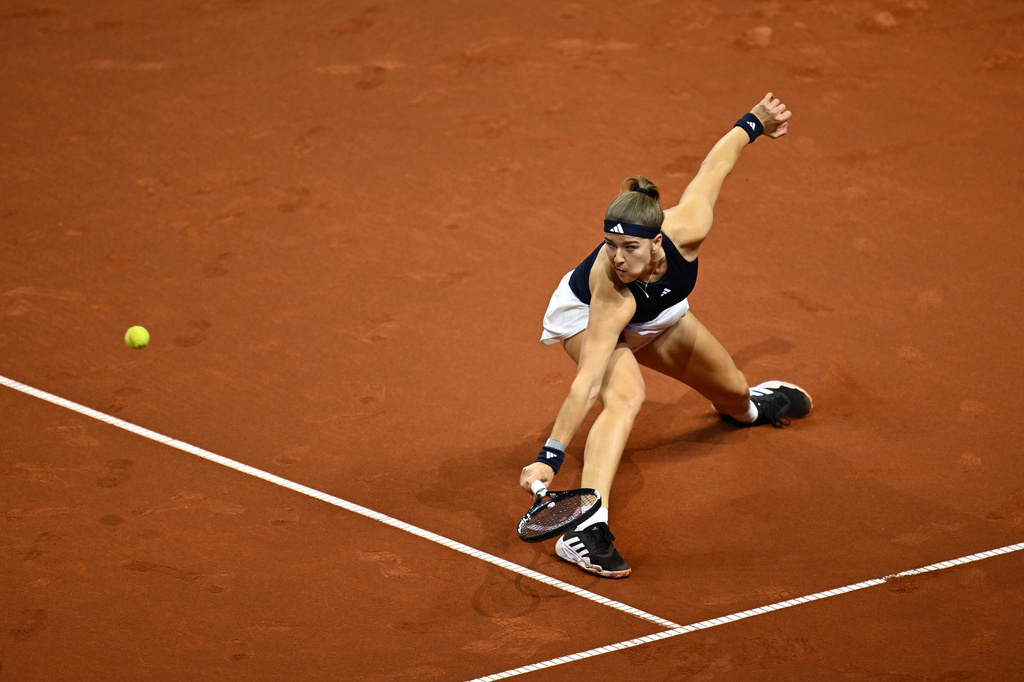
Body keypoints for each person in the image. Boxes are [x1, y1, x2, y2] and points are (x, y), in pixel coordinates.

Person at [519, 92, 811, 579]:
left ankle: (750, 410)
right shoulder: (610, 287)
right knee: (626, 395)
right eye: (609, 245)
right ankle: (585, 529)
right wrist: (550, 455)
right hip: (586, 319)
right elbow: (587, 383)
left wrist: (753, 123)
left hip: (660, 312)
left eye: (628, 247)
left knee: (736, 392)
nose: (615, 257)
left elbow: (714, 167)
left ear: (656, 241)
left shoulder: (688, 228)